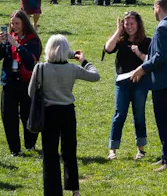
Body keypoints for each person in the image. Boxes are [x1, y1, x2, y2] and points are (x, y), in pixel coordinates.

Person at [29, 35, 100, 196]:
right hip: (67, 112)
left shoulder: (40, 68)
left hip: (49, 113)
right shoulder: (72, 69)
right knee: (69, 151)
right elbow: (95, 76)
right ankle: (74, 189)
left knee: (50, 154)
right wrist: (83, 60)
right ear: (66, 50)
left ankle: (52, 191)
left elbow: (30, 92)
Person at [130, 0, 167, 172]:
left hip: (162, 81)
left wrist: (142, 69)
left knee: (163, 121)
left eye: (153, 8)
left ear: (158, 7)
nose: (153, 11)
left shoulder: (162, 28)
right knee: (164, 120)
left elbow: (159, 57)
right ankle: (166, 156)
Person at [105, 10, 151, 161]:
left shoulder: (146, 42)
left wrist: (138, 53)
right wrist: (118, 31)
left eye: (132, 23)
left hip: (140, 82)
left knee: (139, 115)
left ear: (138, 24)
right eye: (126, 24)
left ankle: (141, 150)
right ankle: (113, 150)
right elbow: (108, 48)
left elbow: (151, 62)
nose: (129, 26)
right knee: (119, 114)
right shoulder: (121, 40)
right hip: (122, 82)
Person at [1, 10, 41, 156]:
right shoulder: (8, 38)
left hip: (26, 82)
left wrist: (17, 45)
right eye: (12, 23)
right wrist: (1, 44)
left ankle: (30, 144)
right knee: (8, 116)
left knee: (27, 114)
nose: (14, 26)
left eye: (17, 23)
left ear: (24, 23)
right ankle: (14, 149)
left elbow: (31, 60)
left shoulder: (33, 40)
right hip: (9, 81)